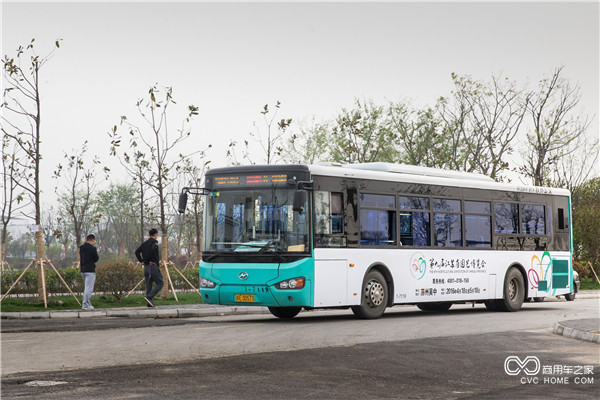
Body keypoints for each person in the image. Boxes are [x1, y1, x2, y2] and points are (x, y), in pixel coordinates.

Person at [135, 228, 164, 308]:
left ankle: (149, 303)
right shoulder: (154, 243)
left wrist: (142, 261)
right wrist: (150, 260)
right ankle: (149, 297)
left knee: (149, 285)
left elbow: (137, 252)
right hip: (152, 266)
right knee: (160, 283)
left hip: (146, 267)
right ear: (155, 235)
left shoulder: (144, 243)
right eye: (157, 235)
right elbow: (152, 251)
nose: (157, 236)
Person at [79, 234, 99, 310]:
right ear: (92, 240)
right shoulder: (92, 248)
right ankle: (85, 304)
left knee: (86, 287)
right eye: (94, 241)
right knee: (89, 289)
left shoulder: (81, 248)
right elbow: (96, 258)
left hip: (83, 270)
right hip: (90, 270)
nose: (94, 243)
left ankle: (88, 302)